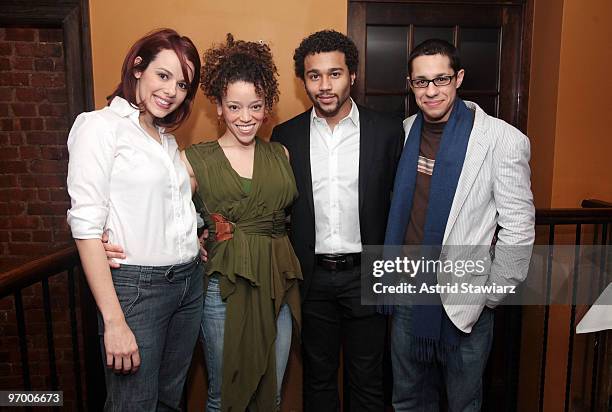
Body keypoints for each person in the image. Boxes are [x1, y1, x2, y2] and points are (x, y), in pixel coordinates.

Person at [385, 39, 535, 411]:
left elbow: (519, 226)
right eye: (422, 82)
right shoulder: (404, 132)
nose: (431, 90)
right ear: (411, 84)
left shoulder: (502, 139)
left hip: (465, 297)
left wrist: (491, 294)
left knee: (463, 403)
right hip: (407, 290)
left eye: (441, 79)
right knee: (406, 399)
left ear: (459, 78)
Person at [66, 28, 203, 411]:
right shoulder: (99, 127)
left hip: (188, 282)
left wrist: (192, 238)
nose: (172, 91)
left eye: (182, 84)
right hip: (138, 289)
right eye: (164, 75)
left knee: (168, 401)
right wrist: (113, 320)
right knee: (134, 404)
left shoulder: (164, 138)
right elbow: (85, 227)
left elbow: (172, 200)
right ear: (138, 68)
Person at [271, 30, 405, 411]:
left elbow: (405, 200)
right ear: (304, 81)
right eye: (314, 76)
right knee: (318, 380)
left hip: (367, 274)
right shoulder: (286, 136)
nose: (325, 85)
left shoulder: (387, 130)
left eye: (335, 74)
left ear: (353, 76)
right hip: (311, 278)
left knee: (368, 381)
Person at [184, 34, 302, 412]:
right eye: (234, 106)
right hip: (224, 286)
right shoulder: (193, 160)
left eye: (255, 105)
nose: (246, 117)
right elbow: (160, 213)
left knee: (273, 392)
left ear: (267, 105)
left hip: (277, 282)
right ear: (218, 106)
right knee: (225, 395)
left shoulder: (280, 153)